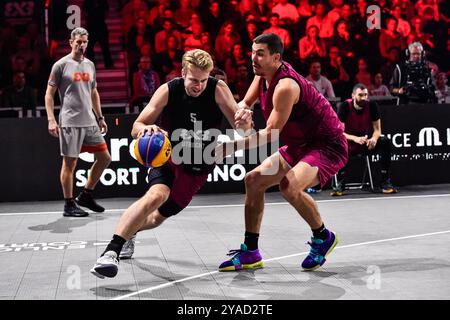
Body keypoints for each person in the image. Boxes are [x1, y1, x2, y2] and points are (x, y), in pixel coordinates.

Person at [90, 49, 253, 278]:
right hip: (168, 157)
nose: (198, 86)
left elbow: (244, 130)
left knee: (158, 218)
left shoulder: (218, 89)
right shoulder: (168, 90)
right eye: (194, 80)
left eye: (203, 80)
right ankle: (110, 253)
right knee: (156, 195)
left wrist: (245, 122)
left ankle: (131, 230)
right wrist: (145, 128)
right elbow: (137, 125)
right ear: (183, 72)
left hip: (199, 166)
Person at [215, 33, 348, 272]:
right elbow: (245, 103)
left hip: (326, 146)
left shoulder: (285, 86)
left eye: (260, 54)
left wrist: (231, 147)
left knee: (289, 186)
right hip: (299, 145)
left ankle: (323, 237)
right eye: (253, 52)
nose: (253, 58)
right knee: (253, 181)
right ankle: (251, 252)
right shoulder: (262, 74)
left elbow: (270, 134)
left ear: (276, 57)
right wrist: (243, 113)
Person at [45, 27, 111, 217]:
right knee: (69, 164)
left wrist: (100, 117)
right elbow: (49, 94)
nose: (82, 45)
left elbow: (93, 92)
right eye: (78, 42)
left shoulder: (90, 64)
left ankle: (86, 195)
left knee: (105, 158)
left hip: (90, 121)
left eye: (85, 42)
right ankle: (69, 203)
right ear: (71, 42)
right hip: (70, 121)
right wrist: (51, 119)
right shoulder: (61, 65)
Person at [331, 84, 398, 196]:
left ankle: (385, 182)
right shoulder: (344, 106)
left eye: (365, 95)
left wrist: (374, 139)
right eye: (360, 95)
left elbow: (377, 130)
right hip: (349, 143)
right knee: (338, 143)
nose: (363, 98)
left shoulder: (372, 105)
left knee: (385, 141)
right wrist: (355, 139)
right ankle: (340, 184)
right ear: (353, 96)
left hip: (364, 142)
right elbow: (339, 133)